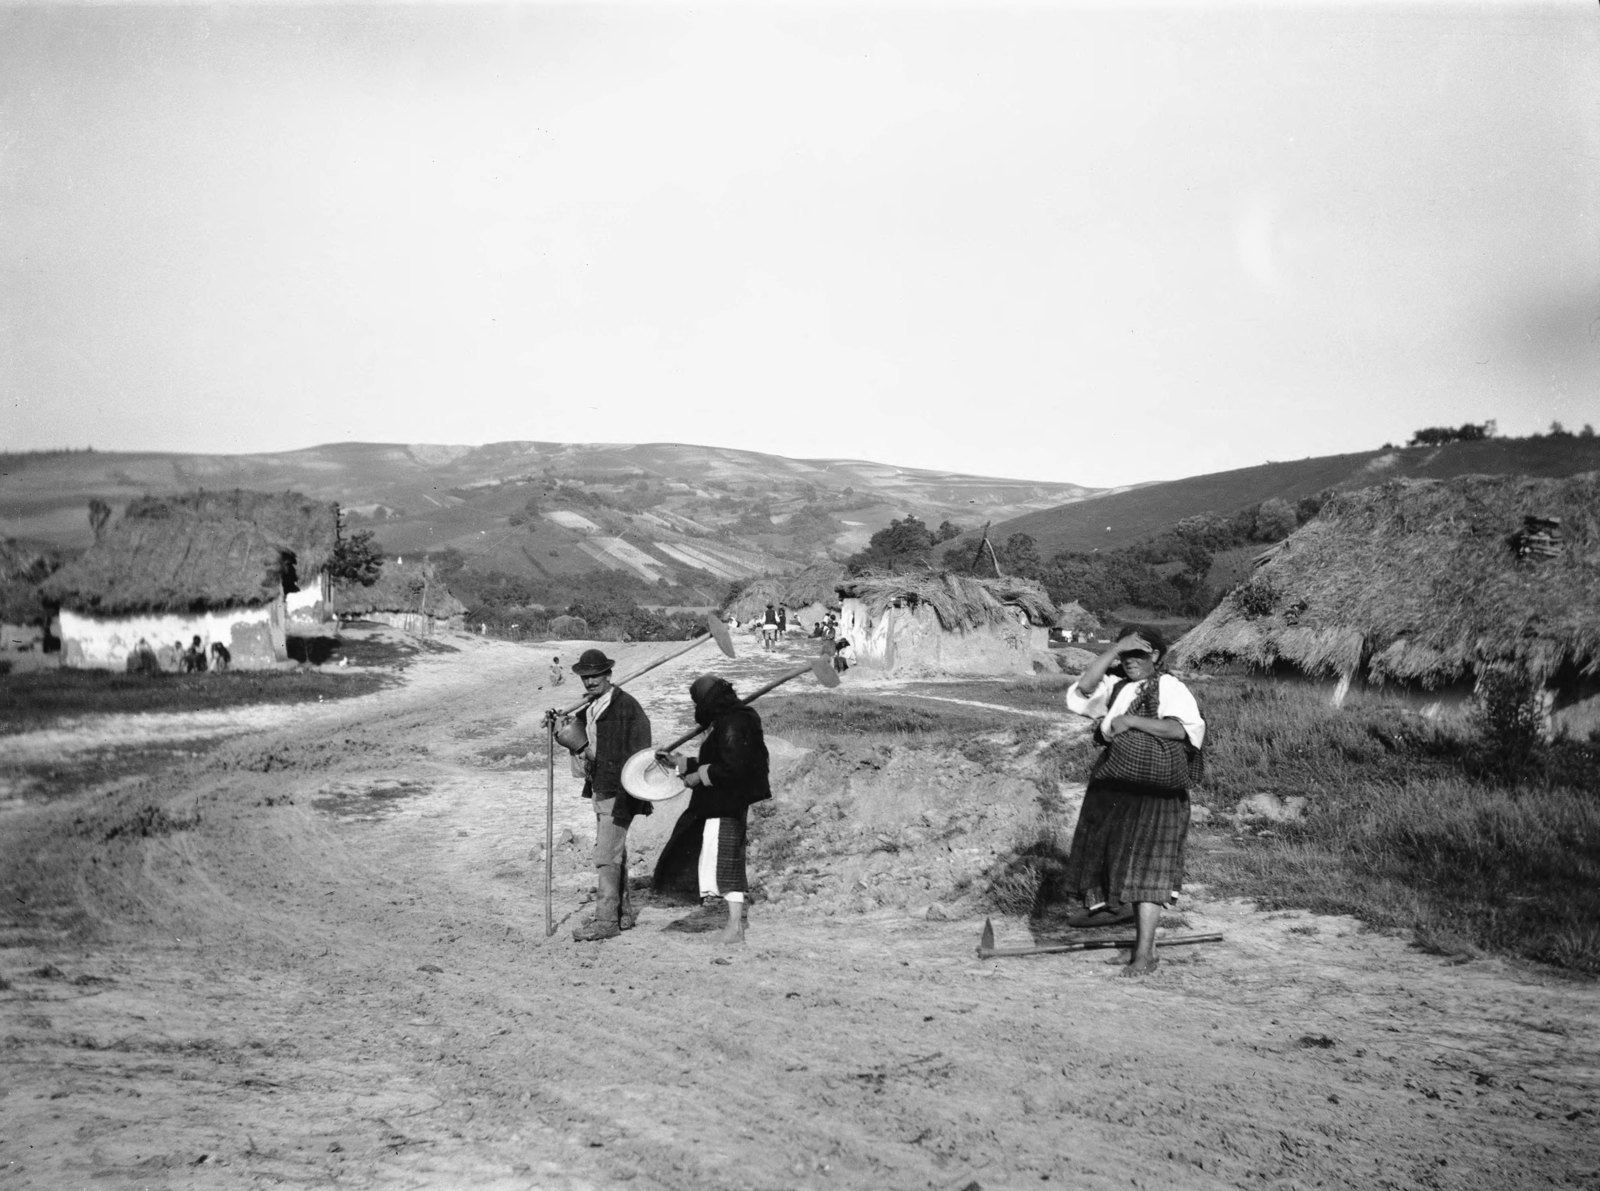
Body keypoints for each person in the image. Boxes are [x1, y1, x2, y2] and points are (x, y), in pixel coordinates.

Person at [1061, 625, 1205, 977]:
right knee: (1118, 865)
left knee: (1149, 871)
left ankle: (1144, 956)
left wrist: (1131, 721)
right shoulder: (1117, 686)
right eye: (1125, 656)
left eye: (1138, 654)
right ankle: (1146, 948)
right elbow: (1083, 689)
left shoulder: (1170, 687)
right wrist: (1114, 649)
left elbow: (1183, 730)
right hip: (1116, 785)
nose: (1130, 662)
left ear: (1155, 656)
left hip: (1157, 791)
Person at [652, 675, 771, 946]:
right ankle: (733, 924)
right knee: (722, 860)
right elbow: (719, 761)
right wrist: (680, 763)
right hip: (721, 803)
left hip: (726, 804)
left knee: (727, 863)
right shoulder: (732, 719)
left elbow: (732, 768)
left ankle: (734, 928)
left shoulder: (732, 722)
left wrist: (697, 777)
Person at [556, 649, 653, 941]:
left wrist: (583, 748)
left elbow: (638, 754)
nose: (589, 682)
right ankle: (621, 914)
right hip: (600, 788)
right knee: (613, 852)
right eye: (585, 678)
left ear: (608, 675)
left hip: (620, 791)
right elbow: (579, 732)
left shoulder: (626, 708)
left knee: (605, 855)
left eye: (595, 676)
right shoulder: (593, 706)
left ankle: (606, 920)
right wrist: (560, 725)